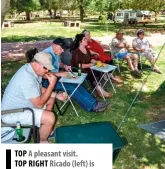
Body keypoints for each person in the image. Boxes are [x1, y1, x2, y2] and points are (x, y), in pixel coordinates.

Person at [1, 52, 59, 143]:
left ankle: (43, 128)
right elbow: (39, 104)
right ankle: (42, 141)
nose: (47, 71)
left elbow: (38, 88)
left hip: (23, 105)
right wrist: (52, 85)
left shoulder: (31, 70)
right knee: (50, 117)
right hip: (10, 113)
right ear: (37, 63)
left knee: (51, 99)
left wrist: (56, 95)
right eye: (45, 67)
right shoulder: (26, 77)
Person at [42, 38, 110, 112]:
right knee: (71, 87)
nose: (63, 51)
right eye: (61, 49)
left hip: (55, 77)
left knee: (76, 82)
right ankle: (94, 106)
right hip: (46, 81)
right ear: (55, 45)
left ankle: (92, 103)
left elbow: (58, 63)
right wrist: (60, 74)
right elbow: (44, 74)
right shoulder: (45, 55)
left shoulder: (56, 52)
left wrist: (64, 66)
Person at [71, 33, 112, 98]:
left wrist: (98, 63)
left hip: (87, 67)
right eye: (84, 39)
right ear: (80, 42)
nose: (86, 40)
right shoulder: (76, 52)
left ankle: (98, 89)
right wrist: (90, 65)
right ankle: (101, 91)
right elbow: (78, 65)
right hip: (78, 70)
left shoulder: (86, 49)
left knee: (98, 70)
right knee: (91, 73)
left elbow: (90, 59)